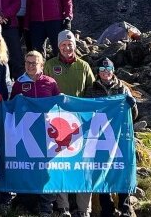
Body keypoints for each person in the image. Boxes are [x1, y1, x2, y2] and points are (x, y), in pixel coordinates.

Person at [44, 30, 95, 216]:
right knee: (61, 165)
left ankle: (83, 210)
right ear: (58, 47)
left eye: (70, 44)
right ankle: (63, 206)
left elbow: (92, 90)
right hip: (57, 123)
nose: (67, 47)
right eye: (63, 45)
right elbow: (43, 88)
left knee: (83, 166)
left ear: (75, 45)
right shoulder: (49, 65)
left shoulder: (84, 66)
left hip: (81, 124)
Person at [9, 50, 60, 215]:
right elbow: (11, 108)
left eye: (34, 63)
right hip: (25, 135)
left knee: (46, 170)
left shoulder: (51, 83)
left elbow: (58, 107)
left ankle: (46, 206)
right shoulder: (18, 83)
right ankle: (26, 204)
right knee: (27, 168)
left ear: (42, 65)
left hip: (46, 135)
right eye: (27, 62)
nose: (30, 66)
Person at [88, 58, 138, 217]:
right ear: (98, 72)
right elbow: (85, 112)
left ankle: (125, 206)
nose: (105, 72)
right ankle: (106, 207)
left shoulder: (123, 89)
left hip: (121, 136)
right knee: (102, 170)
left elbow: (133, 116)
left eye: (108, 69)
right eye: (102, 70)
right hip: (100, 137)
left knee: (122, 168)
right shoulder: (91, 90)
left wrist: (133, 105)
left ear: (113, 70)